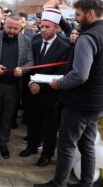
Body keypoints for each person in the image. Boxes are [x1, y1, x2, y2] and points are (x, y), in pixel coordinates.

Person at [34, 0, 103, 187]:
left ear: (91, 13)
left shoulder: (87, 38)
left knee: (66, 146)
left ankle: (59, 184)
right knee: (87, 145)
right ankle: (86, 183)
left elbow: (80, 75)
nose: (76, 19)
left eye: (78, 15)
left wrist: (59, 83)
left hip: (80, 103)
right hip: (100, 104)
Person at [19, 9, 71, 167]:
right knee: (32, 122)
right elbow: (29, 66)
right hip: (32, 92)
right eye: (41, 26)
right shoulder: (34, 44)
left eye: (47, 27)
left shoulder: (65, 47)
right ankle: (31, 147)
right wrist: (30, 83)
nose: (43, 30)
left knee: (49, 127)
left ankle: (47, 154)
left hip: (51, 94)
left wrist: (40, 86)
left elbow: (61, 73)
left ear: (57, 28)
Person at [0, 15, 33, 160]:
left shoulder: (27, 40)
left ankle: (3, 143)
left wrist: (22, 69)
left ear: (21, 27)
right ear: (5, 24)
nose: (12, 31)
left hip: (13, 87)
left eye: (16, 28)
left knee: (7, 117)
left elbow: (30, 61)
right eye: (10, 27)